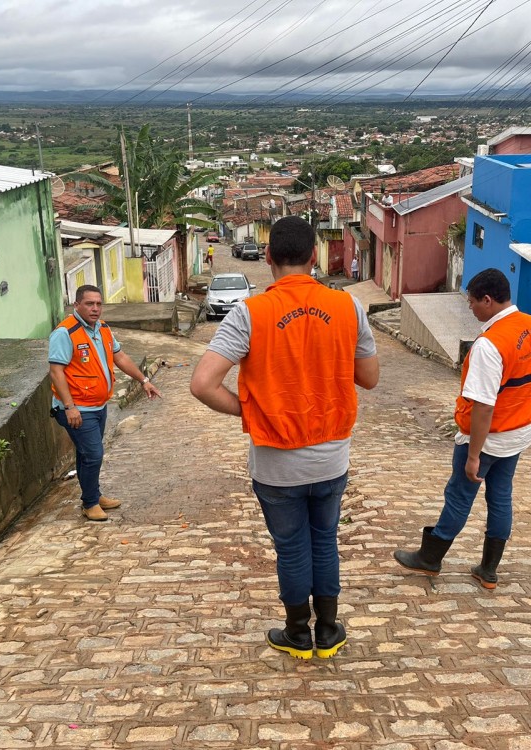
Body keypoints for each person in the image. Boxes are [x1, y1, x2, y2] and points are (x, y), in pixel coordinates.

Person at [190, 216, 379, 660]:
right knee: (325, 540)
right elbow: (369, 378)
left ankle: (298, 635)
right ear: (315, 257)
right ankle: (328, 631)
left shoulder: (249, 314)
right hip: (331, 457)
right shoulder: (347, 307)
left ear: (269, 257)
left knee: (292, 548)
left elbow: (202, 384)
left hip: (276, 462)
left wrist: (250, 408)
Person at [394, 268, 531, 589]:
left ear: (488, 300)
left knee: (459, 496)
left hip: (486, 438)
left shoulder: (490, 345)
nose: (470, 309)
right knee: (501, 497)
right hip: (518, 433)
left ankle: (430, 558)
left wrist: (474, 454)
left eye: (472, 303)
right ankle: (488, 570)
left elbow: (483, 405)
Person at [49, 285, 161, 521]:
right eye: (89, 304)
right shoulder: (65, 333)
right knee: (94, 454)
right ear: (76, 305)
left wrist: (143, 380)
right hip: (77, 408)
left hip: (98, 405)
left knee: (87, 454)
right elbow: (56, 372)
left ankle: (94, 495)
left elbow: (119, 356)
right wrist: (69, 407)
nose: (95, 308)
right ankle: (90, 504)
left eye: (99, 304)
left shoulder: (103, 329)